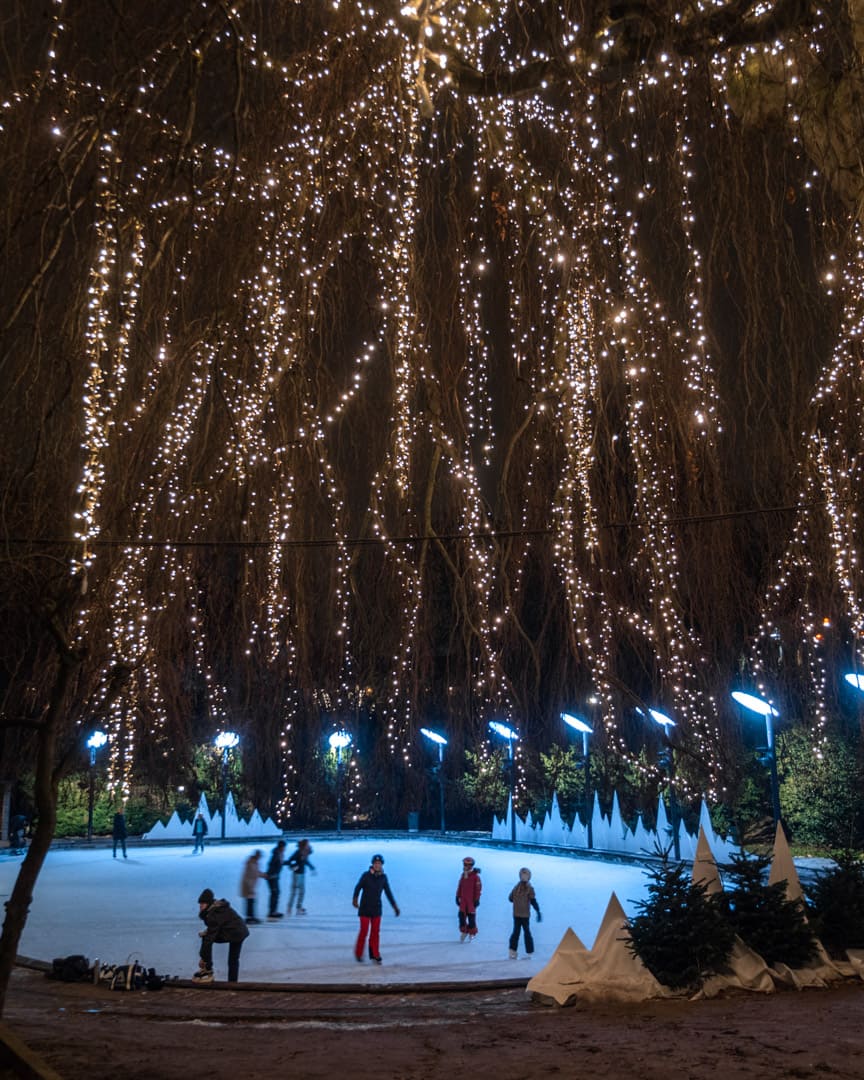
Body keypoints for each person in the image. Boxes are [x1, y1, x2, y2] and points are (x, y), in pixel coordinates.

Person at [352, 853, 399, 963]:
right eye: (375, 863)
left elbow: (388, 892)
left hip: (376, 909)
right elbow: (358, 887)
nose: (377, 865)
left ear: (382, 865)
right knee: (364, 931)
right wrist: (355, 899)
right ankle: (358, 953)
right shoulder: (366, 875)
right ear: (372, 864)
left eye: (379, 863)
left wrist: (394, 906)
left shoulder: (383, 878)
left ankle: (375, 953)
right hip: (364, 908)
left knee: (375, 932)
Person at [194, 888, 249, 983]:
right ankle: (232, 982)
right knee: (233, 959)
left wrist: (203, 957)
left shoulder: (213, 914)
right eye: (200, 904)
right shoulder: (216, 908)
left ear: (208, 903)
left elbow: (210, 938)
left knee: (232, 958)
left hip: (236, 933)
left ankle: (208, 970)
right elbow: (218, 925)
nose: (200, 906)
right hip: (239, 931)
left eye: (202, 904)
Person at [508, 867, 542, 958]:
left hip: (524, 915)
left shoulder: (529, 888)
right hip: (517, 914)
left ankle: (529, 951)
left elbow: (533, 900)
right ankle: (512, 950)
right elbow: (510, 898)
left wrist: (538, 910)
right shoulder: (517, 887)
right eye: (522, 875)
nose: (523, 877)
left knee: (526, 932)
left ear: (528, 877)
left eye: (525, 875)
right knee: (516, 932)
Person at [286, 839, 315, 915]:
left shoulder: (303, 852)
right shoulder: (298, 853)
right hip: (297, 875)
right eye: (307, 844)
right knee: (295, 892)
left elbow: (306, 860)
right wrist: (295, 867)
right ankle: (290, 908)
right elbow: (290, 861)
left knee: (301, 892)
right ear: (303, 845)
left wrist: (311, 867)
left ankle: (297, 908)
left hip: (301, 874)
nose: (308, 845)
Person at [456, 855, 482, 941]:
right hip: (463, 901)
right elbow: (460, 886)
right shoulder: (463, 875)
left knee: (471, 918)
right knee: (461, 916)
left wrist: (477, 899)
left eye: (468, 865)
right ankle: (464, 931)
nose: (466, 867)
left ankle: (472, 932)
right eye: (465, 865)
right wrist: (457, 896)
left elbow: (478, 889)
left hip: (471, 901)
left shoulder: (475, 877)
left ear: (471, 866)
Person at [239, 849, 266, 924]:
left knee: (251, 901)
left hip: (251, 885)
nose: (260, 858)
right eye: (259, 856)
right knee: (250, 902)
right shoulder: (250, 863)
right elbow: (248, 876)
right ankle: (250, 918)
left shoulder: (254, 863)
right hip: (248, 886)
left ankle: (251, 917)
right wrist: (250, 888)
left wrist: (263, 875)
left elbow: (256, 872)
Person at [266, 839, 287, 918]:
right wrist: (270, 875)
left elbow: (280, 863)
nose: (285, 849)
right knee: (275, 893)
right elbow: (271, 864)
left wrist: (288, 863)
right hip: (272, 877)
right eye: (284, 847)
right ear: (281, 847)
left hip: (274, 877)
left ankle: (273, 911)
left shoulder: (279, 854)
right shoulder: (276, 854)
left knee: (276, 893)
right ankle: (272, 912)